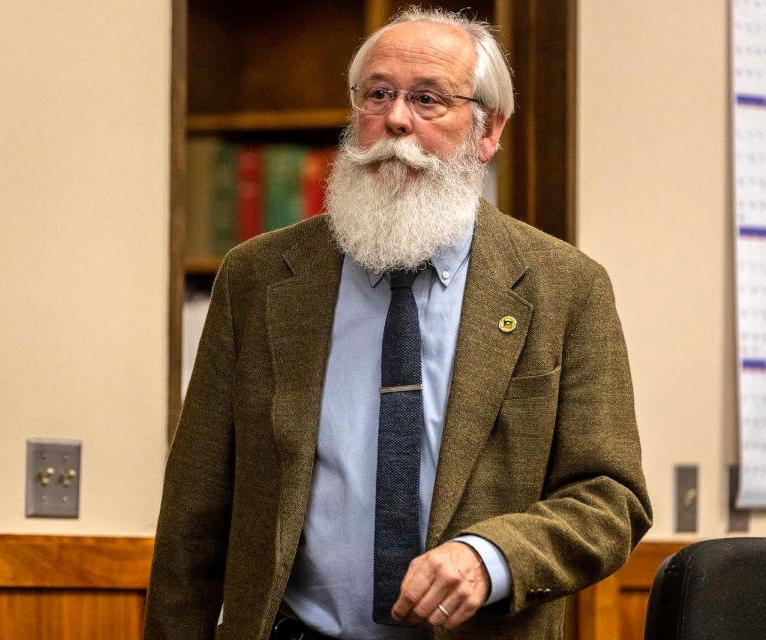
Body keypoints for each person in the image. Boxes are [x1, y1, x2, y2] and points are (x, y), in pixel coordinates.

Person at [144, 7, 651, 640]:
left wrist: (490, 558)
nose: (396, 120)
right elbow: (196, 507)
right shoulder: (260, 278)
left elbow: (609, 498)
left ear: (489, 130)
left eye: (428, 100)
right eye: (377, 94)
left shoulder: (565, 288)